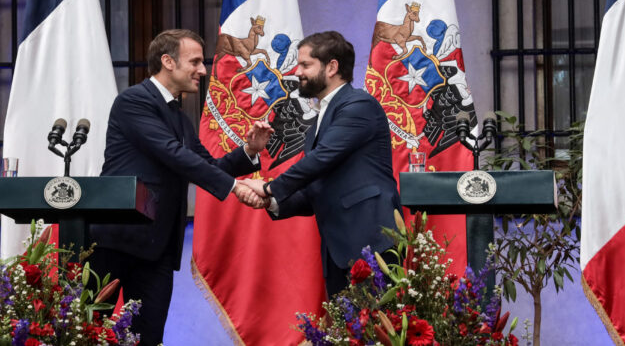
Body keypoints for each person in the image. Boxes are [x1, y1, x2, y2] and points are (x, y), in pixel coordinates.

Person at [88, 29, 270, 345]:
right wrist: (235, 188)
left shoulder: (181, 118)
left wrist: (249, 152)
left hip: (157, 248)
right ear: (168, 61)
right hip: (115, 241)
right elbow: (174, 156)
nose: (203, 70)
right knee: (84, 331)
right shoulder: (134, 101)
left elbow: (206, 167)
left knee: (149, 338)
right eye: (195, 61)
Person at [242, 31, 401, 297]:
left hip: (371, 241)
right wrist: (271, 202)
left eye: (305, 64)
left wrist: (269, 188)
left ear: (332, 67)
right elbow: (316, 185)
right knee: (347, 336)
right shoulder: (319, 120)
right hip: (338, 249)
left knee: (380, 335)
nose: (297, 72)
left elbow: (320, 159)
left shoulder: (359, 105)